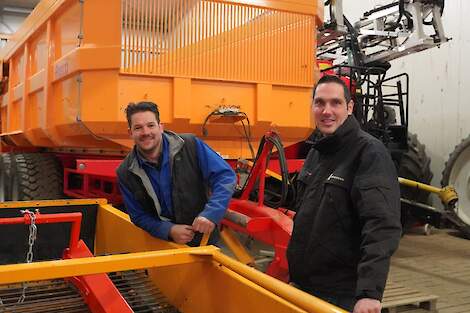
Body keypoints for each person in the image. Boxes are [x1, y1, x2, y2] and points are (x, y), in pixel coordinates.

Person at [287, 75, 402, 313]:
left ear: (349, 108)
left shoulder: (369, 153)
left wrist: (369, 293)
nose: (326, 110)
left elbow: (381, 225)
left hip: (340, 295)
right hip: (305, 287)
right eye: (319, 103)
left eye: (335, 103)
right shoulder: (316, 153)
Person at [117, 101, 236, 246]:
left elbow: (225, 176)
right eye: (138, 128)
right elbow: (138, 216)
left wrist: (211, 214)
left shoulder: (190, 145)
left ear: (160, 127)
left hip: (204, 240)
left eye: (151, 125)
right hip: (161, 244)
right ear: (130, 133)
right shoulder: (125, 172)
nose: (146, 132)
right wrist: (169, 230)